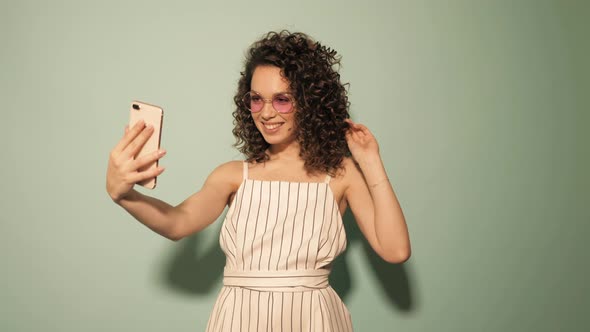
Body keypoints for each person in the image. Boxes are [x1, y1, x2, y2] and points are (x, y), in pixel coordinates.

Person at [106, 31, 411, 332]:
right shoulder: (232, 175)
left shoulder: (341, 175)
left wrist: (370, 161)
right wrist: (123, 195)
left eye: (282, 100)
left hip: (314, 320)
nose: (266, 113)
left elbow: (395, 250)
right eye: (256, 99)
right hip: (240, 319)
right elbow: (177, 223)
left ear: (310, 102)